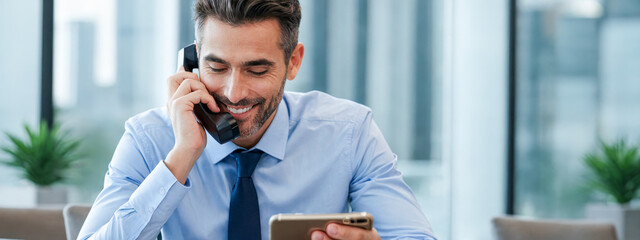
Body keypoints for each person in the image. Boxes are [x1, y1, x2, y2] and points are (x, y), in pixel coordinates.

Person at [78, 0, 436, 239]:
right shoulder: (148, 138)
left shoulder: (349, 133)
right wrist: (183, 154)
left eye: (257, 69)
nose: (234, 93)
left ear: (293, 62)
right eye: (216, 67)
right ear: (194, 60)